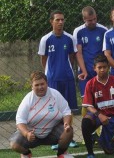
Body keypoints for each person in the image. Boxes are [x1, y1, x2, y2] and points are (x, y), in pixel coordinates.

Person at [38, 10, 78, 149]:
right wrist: (51, 73)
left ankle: (69, 137)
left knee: (68, 109)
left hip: (67, 78)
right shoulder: (46, 39)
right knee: (55, 109)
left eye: (62, 19)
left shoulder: (70, 38)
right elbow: (44, 59)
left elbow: (72, 58)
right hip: (53, 79)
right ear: (51, 21)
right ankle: (56, 138)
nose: (60, 22)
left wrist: (66, 69)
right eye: (57, 20)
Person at [9, 71, 73, 158]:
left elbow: (66, 111)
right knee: (14, 144)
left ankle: (61, 153)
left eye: (42, 84)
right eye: (36, 85)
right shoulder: (28, 99)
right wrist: (26, 133)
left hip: (52, 132)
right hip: (32, 134)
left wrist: (66, 123)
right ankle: (26, 154)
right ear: (32, 86)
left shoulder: (55, 94)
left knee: (68, 131)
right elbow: (20, 121)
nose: (40, 87)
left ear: (47, 83)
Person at [81, 54, 114, 158]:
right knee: (85, 123)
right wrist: (99, 115)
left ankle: (101, 139)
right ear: (94, 68)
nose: (102, 70)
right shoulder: (90, 84)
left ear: (108, 67)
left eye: (104, 67)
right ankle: (90, 152)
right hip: (96, 115)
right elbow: (88, 105)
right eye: (99, 67)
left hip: (112, 116)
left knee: (109, 150)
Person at [73, 6, 108, 118]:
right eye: (89, 20)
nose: (93, 22)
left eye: (94, 19)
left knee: (102, 100)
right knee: (86, 102)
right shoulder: (78, 31)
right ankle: (87, 128)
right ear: (84, 19)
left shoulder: (104, 30)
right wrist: (84, 71)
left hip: (100, 72)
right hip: (85, 72)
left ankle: (101, 129)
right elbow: (78, 53)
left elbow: (106, 52)